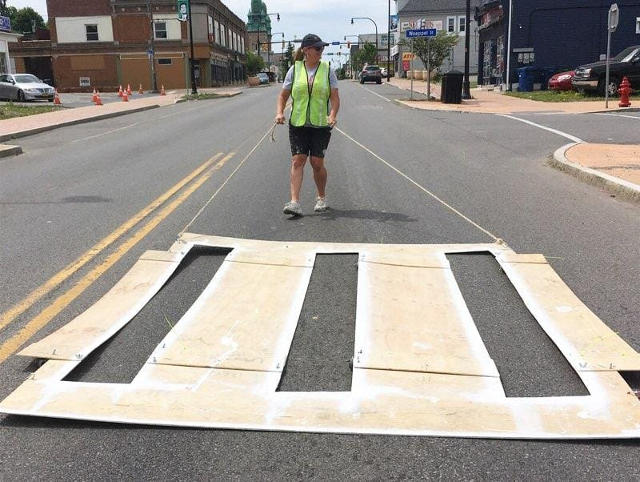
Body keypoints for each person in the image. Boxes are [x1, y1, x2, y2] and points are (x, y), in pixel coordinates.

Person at [275, 33, 340, 216]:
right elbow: (283, 96)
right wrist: (279, 112)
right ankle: (295, 202)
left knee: (317, 162)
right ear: (306, 50)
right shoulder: (294, 70)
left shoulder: (328, 70)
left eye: (322, 48)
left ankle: (321, 197)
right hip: (298, 122)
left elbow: (335, 98)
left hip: (321, 124)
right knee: (298, 160)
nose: (321, 51)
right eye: (318, 48)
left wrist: (332, 115)